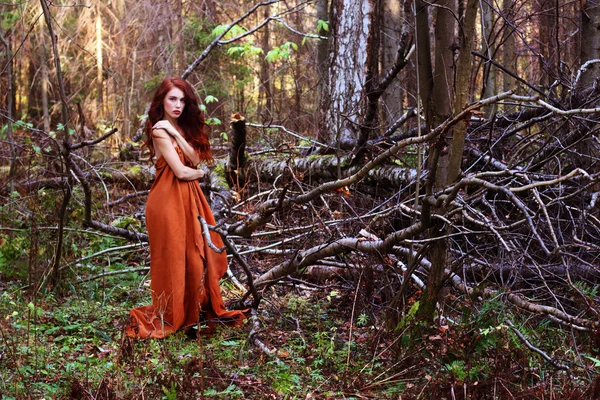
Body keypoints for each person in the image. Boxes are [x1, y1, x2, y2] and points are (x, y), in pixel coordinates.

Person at [126, 77, 246, 339]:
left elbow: (194, 158)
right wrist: (201, 174)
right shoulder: (158, 130)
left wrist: (177, 134)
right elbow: (183, 171)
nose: (177, 104)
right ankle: (174, 314)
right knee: (172, 258)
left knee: (196, 254)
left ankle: (192, 311)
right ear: (162, 101)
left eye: (182, 99)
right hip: (167, 201)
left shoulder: (175, 130)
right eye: (172, 99)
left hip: (188, 199)